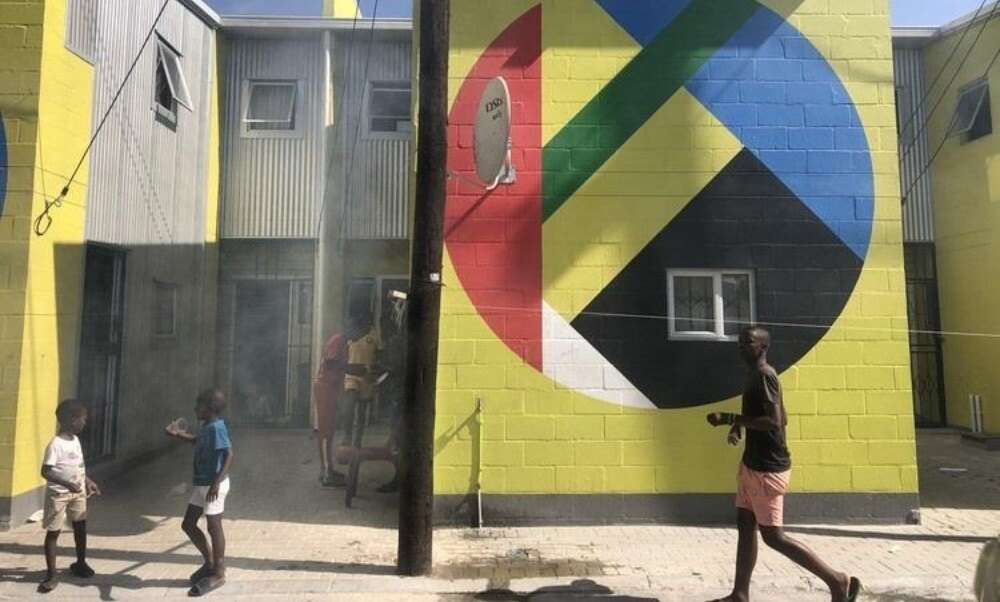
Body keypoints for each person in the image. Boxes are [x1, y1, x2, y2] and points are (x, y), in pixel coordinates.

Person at [706, 327, 861, 602]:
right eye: (740, 342)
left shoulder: (765, 375)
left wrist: (731, 419)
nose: (742, 347)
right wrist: (740, 427)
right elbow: (782, 417)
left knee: (773, 536)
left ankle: (837, 581)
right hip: (751, 464)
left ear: (763, 347)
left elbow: (774, 422)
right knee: (745, 524)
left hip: (767, 468)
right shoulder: (755, 374)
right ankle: (740, 594)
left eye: (748, 343)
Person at [166, 389, 233, 597]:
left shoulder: (216, 428)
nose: (195, 409)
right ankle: (210, 562)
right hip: (202, 484)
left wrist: (216, 482)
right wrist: (178, 434)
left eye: (199, 406)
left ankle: (219, 572)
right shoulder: (206, 427)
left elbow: (229, 453)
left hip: (213, 485)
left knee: (214, 526)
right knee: (188, 524)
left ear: (210, 408)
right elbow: (197, 441)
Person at [38, 399, 101, 594]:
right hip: (59, 495)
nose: (85, 423)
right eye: (83, 419)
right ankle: (51, 574)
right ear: (71, 420)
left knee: (80, 527)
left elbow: (78, 467)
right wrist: (67, 484)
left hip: (78, 493)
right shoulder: (56, 444)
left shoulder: (76, 441)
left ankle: (80, 563)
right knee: (53, 532)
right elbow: (46, 471)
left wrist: (87, 481)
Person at [313, 332, 346, 487]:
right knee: (325, 430)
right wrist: (351, 368)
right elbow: (331, 362)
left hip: (330, 388)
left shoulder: (342, 340)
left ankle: (327, 469)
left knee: (329, 430)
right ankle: (326, 471)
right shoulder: (338, 339)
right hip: (325, 387)